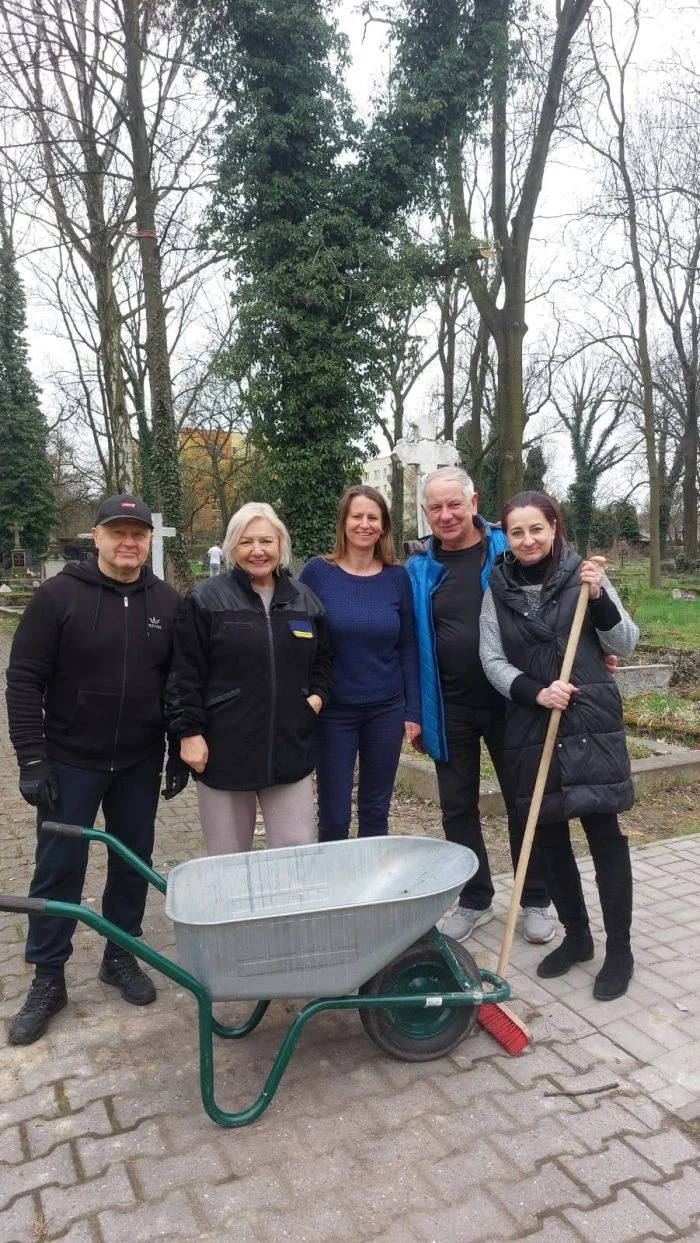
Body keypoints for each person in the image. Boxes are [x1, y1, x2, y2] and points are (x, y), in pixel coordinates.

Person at [5, 494, 186, 1046]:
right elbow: (23, 679)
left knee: (132, 861)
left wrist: (176, 751)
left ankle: (120, 955)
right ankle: (48, 977)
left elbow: (178, 685)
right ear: (98, 537)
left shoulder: (167, 603)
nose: (128, 542)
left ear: (148, 540)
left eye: (138, 533)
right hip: (69, 761)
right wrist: (32, 758)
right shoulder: (58, 596)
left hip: (138, 761)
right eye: (118, 532)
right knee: (59, 866)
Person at [479, 490, 639, 1000]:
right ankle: (578, 937)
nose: (527, 540)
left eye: (537, 529)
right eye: (517, 531)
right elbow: (492, 659)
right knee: (547, 833)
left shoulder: (586, 576)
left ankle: (620, 951)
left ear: (554, 528)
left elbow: (624, 643)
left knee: (603, 831)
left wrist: (601, 597)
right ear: (506, 536)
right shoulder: (496, 588)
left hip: (589, 721)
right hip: (533, 723)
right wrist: (535, 691)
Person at [405, 467, 553, 944]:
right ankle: (475, 900)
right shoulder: (418, 569)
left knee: (523, 801)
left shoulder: (508, 547)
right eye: (435, 507)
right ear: (425, 512)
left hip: (513, 702)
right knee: (457, 808)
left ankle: (535, 898)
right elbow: (406, 642)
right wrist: (413, 711)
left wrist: (594, 648)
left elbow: (557, 599)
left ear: (473, 502)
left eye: (454, 504)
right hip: (449, 707)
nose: (445, 515)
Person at [166, 502, 333, 853]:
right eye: (246, 542)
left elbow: (324, 659)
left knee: (295, 854)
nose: (257, 550)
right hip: (224, 750)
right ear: (231, 547)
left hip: (290, 749)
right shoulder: (205, 599)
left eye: (266, 541)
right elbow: (184, 673)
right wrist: (189, 733)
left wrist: (316, 698)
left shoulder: (305, 600)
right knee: (228, 859)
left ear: (281, 545)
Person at [298, 485, 420, 841]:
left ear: (383, 527)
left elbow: (408, 646)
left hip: (386, 709)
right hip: (333, 710)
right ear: (343, 522)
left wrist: (413, 711)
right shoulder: (317, 573)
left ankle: (371, 876)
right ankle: (335, 875)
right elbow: (299, 640)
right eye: (357, 516)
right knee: (334, 815)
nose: (364, 524)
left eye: (373, 518)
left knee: (375, 812)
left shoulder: (397, 577)